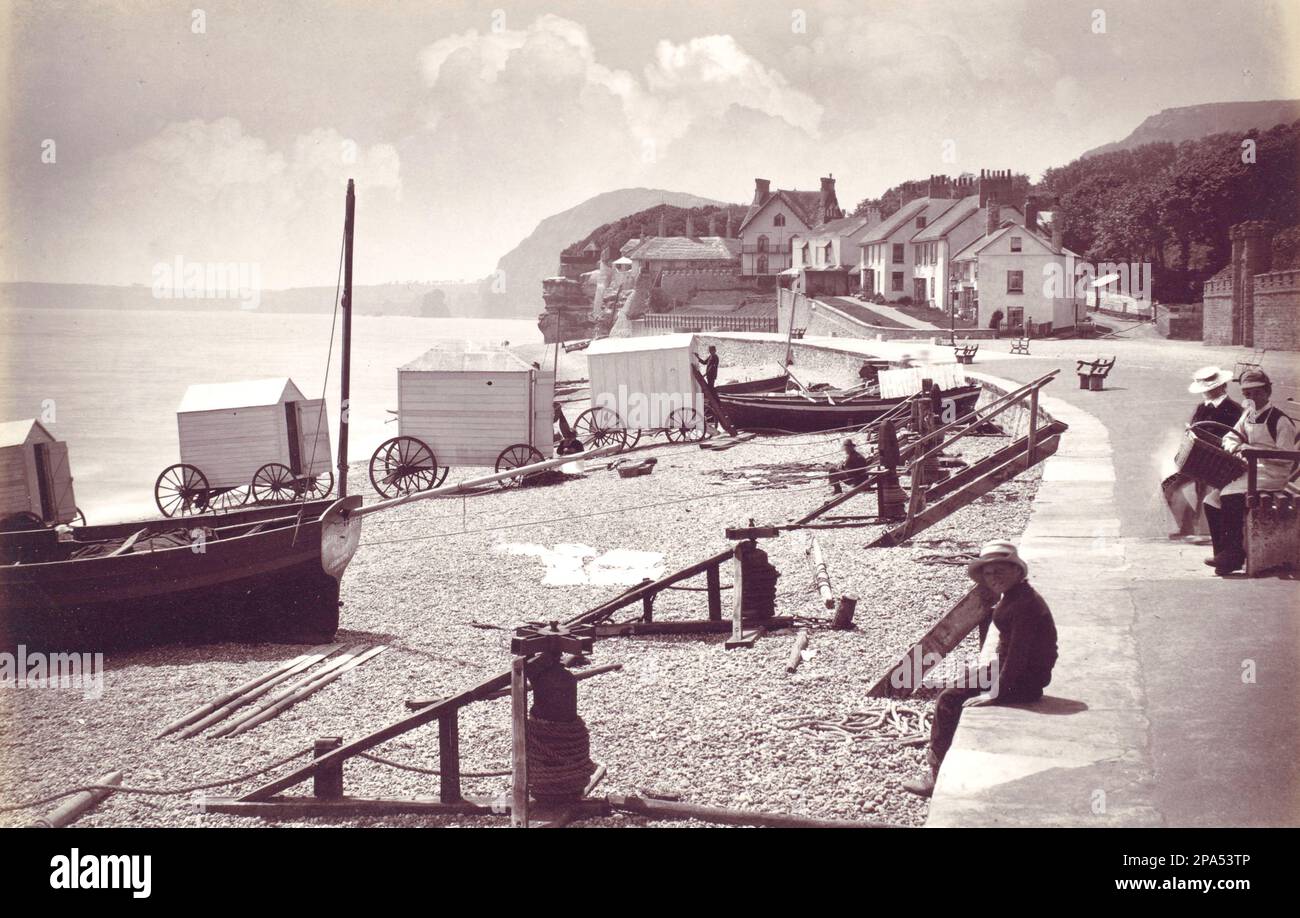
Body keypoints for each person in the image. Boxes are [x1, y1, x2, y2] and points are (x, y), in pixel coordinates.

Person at [903, 540, 1058, 797]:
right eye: (988, 572)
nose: (993, 577)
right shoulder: (1016, 595)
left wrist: (995, 693)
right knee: (962, 682)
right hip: (1021, 671)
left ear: (1018, 571)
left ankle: (935, 773)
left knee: (947, 699)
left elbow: (1018, 655)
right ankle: (941, 760)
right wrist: (992, 668)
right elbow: (1009, 644)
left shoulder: (1025, 605)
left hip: (1026, 679)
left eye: (1000, 570)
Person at [1208, 369, 1297, 575]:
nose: (1252, 398)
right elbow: (1233, 437)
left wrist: (1253, 451)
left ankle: (1234, 553)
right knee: (1211, 501)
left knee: (1229, 496)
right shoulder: (1248, 415)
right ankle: (1224, 556)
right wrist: (1234, 447)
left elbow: (1287, 457)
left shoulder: (1280, 420)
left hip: (1272, 475)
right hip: (1251, 470)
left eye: (1257, 393)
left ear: (1267, 392)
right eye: (1247, 394)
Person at [1168, 366, 1242, 544]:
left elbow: (1233, 438)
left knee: (1205, 492)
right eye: (1205, 389)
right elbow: (1194, 430)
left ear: (1222, 387)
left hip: (1219, 463)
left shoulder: (1234, 410)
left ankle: (1204, 531)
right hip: (1196, 460)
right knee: (1168, 486)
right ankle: (1187, 527)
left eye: (1210, 389)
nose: (1207, 393)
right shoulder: (1202, 407)